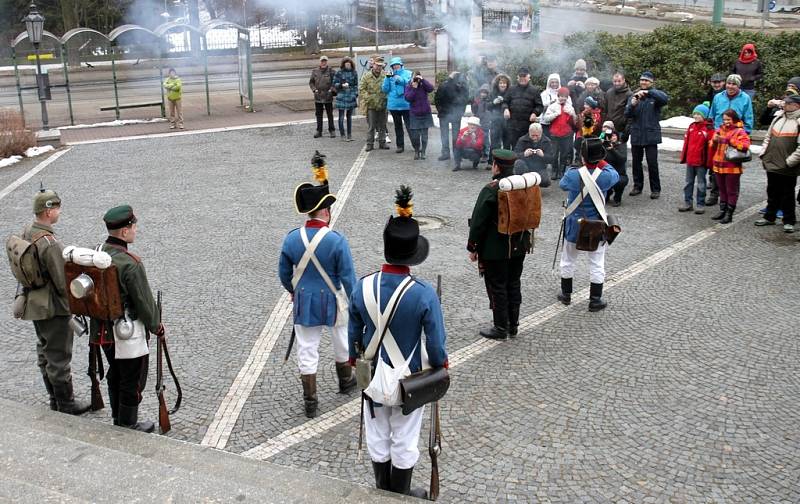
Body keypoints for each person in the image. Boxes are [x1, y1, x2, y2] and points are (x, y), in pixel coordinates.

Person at [348, 186, 447, 498]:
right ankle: (399, 495)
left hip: (372, 376)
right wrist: (441, 367)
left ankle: (382, 491)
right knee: (404, 439)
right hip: (410, 379)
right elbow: (435, 344)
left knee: (377, 436)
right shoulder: (423, 293)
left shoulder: (361, 287)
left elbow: (354, 340)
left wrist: (358, 366)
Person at [279, 153, 358, 418]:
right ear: (324, 211)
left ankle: (310, 400)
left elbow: (282, 273)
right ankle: (346, 381)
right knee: (342, 341)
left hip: (305, 300)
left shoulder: (291, 239)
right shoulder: (337, 240)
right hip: (334, 299)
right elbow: (348, 278)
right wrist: (355, 301)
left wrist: (294, 292)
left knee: (307, 348)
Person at [16, 188, 90, 415]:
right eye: (56, 207)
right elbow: (61, 282)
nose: (59, 212)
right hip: (53, 307)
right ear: (48, 211)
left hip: (34, 303)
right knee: (58, 355)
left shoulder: (28, 230)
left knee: (44, 350)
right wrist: (74, 307)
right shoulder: (49, 242)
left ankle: (54, 400)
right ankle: (66, 404)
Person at [89, 205, 162, 432]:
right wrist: (156, 326)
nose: (135, 229)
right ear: (123, 232)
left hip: (102, 331)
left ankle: (117, 418)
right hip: (126, 333)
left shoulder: (96, 253)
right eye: (133, 226)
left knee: (116, 373)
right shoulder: (131, 263)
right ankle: (128, 423)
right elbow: (144, 302)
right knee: (132, 378)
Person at [467, 150, 532, 340]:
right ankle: (513, 325)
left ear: (496, 166)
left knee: (497, 286)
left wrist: (473, 247)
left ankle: (501, 327)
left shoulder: (491, 189)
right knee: (513, 283)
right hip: (519, 245)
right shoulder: (523, 186)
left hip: (496, 249)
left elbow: (479, 222)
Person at [557, 138, 620, 312]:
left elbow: (563, 184)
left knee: (568, 260)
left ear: (583, 156)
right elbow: (615, 175)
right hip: (596, 225)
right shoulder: (607, 174)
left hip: (574, 225)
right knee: (597, 263)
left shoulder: (572, 174)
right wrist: (600, 160)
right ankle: (595, 300)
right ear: (600, 157)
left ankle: (566, 294)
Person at [754, 93, 800, 233]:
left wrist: (789, 162)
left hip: (787, 165)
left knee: (787, 193)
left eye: (787, 103)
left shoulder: (798, 121)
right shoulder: (779, 117)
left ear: (796, 105)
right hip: (772, 161)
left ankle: (789, 220)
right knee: (772, 190)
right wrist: (764, 153)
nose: (784, 105)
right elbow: (768, 136)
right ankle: (770, 216)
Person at [625, 71, 669, 199]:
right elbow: (627, 113)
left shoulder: (655, 96)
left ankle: (655, 189)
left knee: (652, 163)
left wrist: (648, 92)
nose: (643, 82)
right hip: (637, 133)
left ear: (651, 82)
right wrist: (632, 105)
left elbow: (665, 99)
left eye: (646, 80)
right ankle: (637, 186)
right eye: (642, 80)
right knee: (636, 163)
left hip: (651, 135)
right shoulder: (634, 95)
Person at [709, 109, 751, 224]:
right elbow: (711, 146)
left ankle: (729, 214)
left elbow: (745, 146)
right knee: (722, 189)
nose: (726, 121)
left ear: (734, 119)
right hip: (718, 165)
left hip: (732, 166)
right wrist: (714, 140)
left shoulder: (740, 131)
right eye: (724, 119)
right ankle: (722, 211)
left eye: (728, 119)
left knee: (731, 191)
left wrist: (730, 140)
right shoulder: (719, 130)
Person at [678, 103, 714, 214]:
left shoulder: (708, 130)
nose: (696, 116)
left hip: (701, 162)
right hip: (690, 160)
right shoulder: (691, 127)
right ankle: (688, 202)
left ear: (705, 116)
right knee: (688, 182)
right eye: (695, 114)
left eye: (699, 114)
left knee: (701, 184)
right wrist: (684, 157)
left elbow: (710, 148)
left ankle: (700, 203)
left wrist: (708, 163)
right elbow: (686, 144)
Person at [543, 86, 577, 180]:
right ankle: (554, 170)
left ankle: (562, 171)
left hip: (567, 134)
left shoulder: (570, 107)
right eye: (561, 96)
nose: (563, 98)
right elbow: (546, 118)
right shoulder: (552, 106)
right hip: (554, 134)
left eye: (565, 96)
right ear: (558, 96)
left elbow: (575, 122)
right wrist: (555, 114)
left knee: (564, 153)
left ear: (567, 97)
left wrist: (572, 114)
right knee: (554, 153)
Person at [434, 71, 470, 161]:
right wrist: (440, 110)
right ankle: (445, 153)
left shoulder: (463, 87)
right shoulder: (445, 85)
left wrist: (461, 112)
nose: (459, 83)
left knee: (456, 135)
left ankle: (456, 153)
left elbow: (465, 100)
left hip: (456, 114)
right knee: (444, 134)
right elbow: (437, 98)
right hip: (444, 114)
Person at [505, 67, 544, 148]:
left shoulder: (534, 90)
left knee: (526, 147)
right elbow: (505, 102)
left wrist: (535, 113)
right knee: (513, 147)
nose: (522, 78)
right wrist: (505, 109)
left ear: (529, 77)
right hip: (512, 125)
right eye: (520, 77)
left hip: (527, 126)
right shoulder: (511, 89)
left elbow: (539, 106)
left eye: (524, 76)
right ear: (517, 77)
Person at [705, 72, 728, 206]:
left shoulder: (725, 95)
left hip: (728, 132)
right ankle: (714, 190)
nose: (717, 84)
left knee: (726, 163)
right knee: (712, 161)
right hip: (713, 131)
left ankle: (724, 191)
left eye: (719, 82)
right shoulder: (710, 94)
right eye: (714, 82)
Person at [382, 57, 413, 153]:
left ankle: (415, 144)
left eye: (397, 65)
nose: (396, 67)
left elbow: (409, 84)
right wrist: (387, 79)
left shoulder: (408, 73)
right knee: (398, 126)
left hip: (406, 104)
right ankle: (400, 146)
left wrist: (399, 79)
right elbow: (384, 89)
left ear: (401, 65)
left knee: (410, 126)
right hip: (394, 105)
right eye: (394, 65)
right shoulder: (389, 75)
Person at [359, 56, 389, 151]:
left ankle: (382, 142)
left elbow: (389, 87)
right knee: (371, 126)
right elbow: (361, 88)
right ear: (373, 65)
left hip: (383, 104)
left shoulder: (385, 76)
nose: (378, 67)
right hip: (371, 105)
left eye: (380, 66)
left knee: (382, 125)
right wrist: (368, 98)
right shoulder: (366, 76)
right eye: (377, 65)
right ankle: (370, 143)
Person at [404, 71, 435, 160]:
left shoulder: (423, 84)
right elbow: (408, 98)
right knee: (415, 136)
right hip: (415, 114)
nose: (416, 79)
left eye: (417, 77)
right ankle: (417, 151)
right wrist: (414, 88)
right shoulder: (409, 86)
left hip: (425, 113)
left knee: (425, 135)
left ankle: (423, 152)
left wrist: (423, 80)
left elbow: (431, 88)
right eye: (414, 77)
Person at [600, 124, 628, 207]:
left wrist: (612, 150)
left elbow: (622, 159)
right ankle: (607, 194)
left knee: (620, 182)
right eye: (610, 136)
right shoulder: (603, 146)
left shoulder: (621, 146)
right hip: (606, 173)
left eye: (614, 135)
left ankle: (617, 197)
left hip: (619, 173)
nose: (613, 137)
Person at [310, 55, 336, 138]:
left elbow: (335, 82)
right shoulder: (315, 71)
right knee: (318, 114)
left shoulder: (331, 71)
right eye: (322, 61)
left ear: (327, 62)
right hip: (318, 96)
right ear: (320, 62)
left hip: (328, 96)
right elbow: (311, 82)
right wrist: (314, 90)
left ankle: (332, 130)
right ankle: (319, 130)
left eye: (325, 61)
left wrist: (331, 90)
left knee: (330, 114)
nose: (323, 62)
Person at [333, 57, 359, 141]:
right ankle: (342, 135)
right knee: (341, 117)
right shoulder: (339, 72)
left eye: (349, 63)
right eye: (346, 63)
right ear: (343, 64)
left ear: (351, 64)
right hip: (341, 96)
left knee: (349, 117)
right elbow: (334, 84)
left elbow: (356, 85)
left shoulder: (354, 73)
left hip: (351, 96)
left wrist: (355, 94)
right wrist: (341, 85)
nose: (348, 65)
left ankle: (349, 135)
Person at [488, 73, 513, 160]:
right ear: (497, 84)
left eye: (504, 83)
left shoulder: (511, 93)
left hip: (507, 121)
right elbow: (487, 106)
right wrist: (493, 103)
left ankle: (506, 160)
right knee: (494, 142)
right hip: (495, 121)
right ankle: (492, 161)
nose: (502, 85)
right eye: (501, 83)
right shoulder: (492, 93)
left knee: (507, 142)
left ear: (507, 84)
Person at [605, 72, 632, 141]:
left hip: (621, 129)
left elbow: (630, 114)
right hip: (609, 128)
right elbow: (605, 110)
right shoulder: (609, 92)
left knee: (620, 150)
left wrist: (626, 131)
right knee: (608, 150)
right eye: (615, 81)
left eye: (619, 81)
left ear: (624, 80)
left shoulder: (629, 94)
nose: (617, 83)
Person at [472, 84, 493, 161]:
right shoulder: (477, 101)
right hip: (478, 122)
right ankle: (479, 153)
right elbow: (475, 111)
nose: (483, 94)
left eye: (485, 93)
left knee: (485, 140)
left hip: (486, 123)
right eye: (482, 92)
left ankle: (486, 154)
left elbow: (488, 112)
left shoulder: (489, 102)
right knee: (478, 139)